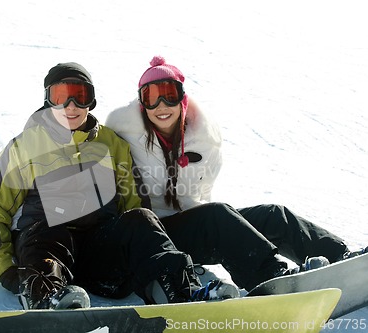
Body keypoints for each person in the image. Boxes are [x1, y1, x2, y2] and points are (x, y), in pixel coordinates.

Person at [0, 62, 238, 311]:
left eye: (80, 95)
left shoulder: (111, 144)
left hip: (99, 258)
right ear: (48, 99)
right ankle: (49, 298)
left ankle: (183, 292)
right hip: (46, 250)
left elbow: (133, 203)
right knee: (45, 231)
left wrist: (138, 246)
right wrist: (7, 271)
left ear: (91, 99)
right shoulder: (23, 148)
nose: (71, 106)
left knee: (140, 218)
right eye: (60, 96)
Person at [105, 56, 366, 291]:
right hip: (153, 236)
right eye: (151, 97)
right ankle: (270, 276)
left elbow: (201, 195)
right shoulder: (124, 133)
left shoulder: (202, 140)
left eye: (169, 95)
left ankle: (341, 258)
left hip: (193, 225)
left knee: (273, 215)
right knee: (217, 216)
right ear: (142, 103)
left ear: (182, 98)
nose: (161, 105)